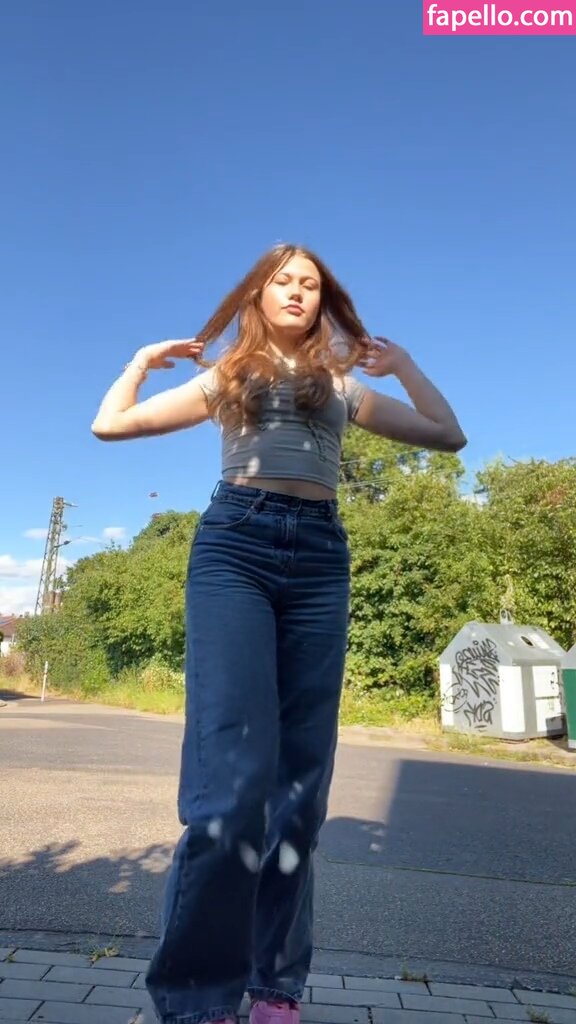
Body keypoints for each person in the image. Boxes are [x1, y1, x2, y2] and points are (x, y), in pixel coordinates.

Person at [91, 243, 467, 1024]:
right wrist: (138, 363)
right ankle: (199, 999)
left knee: (300, 793)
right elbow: (110, 425)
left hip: (321, 558)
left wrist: (404, 366)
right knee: (231, 789)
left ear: (323, 302)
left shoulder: (339, 385)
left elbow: (447, 434)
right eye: (284, 281)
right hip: (236, 547)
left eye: (311, 284)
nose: (299, 292)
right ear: (257, 296)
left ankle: (274, 990)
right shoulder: (228, 377)